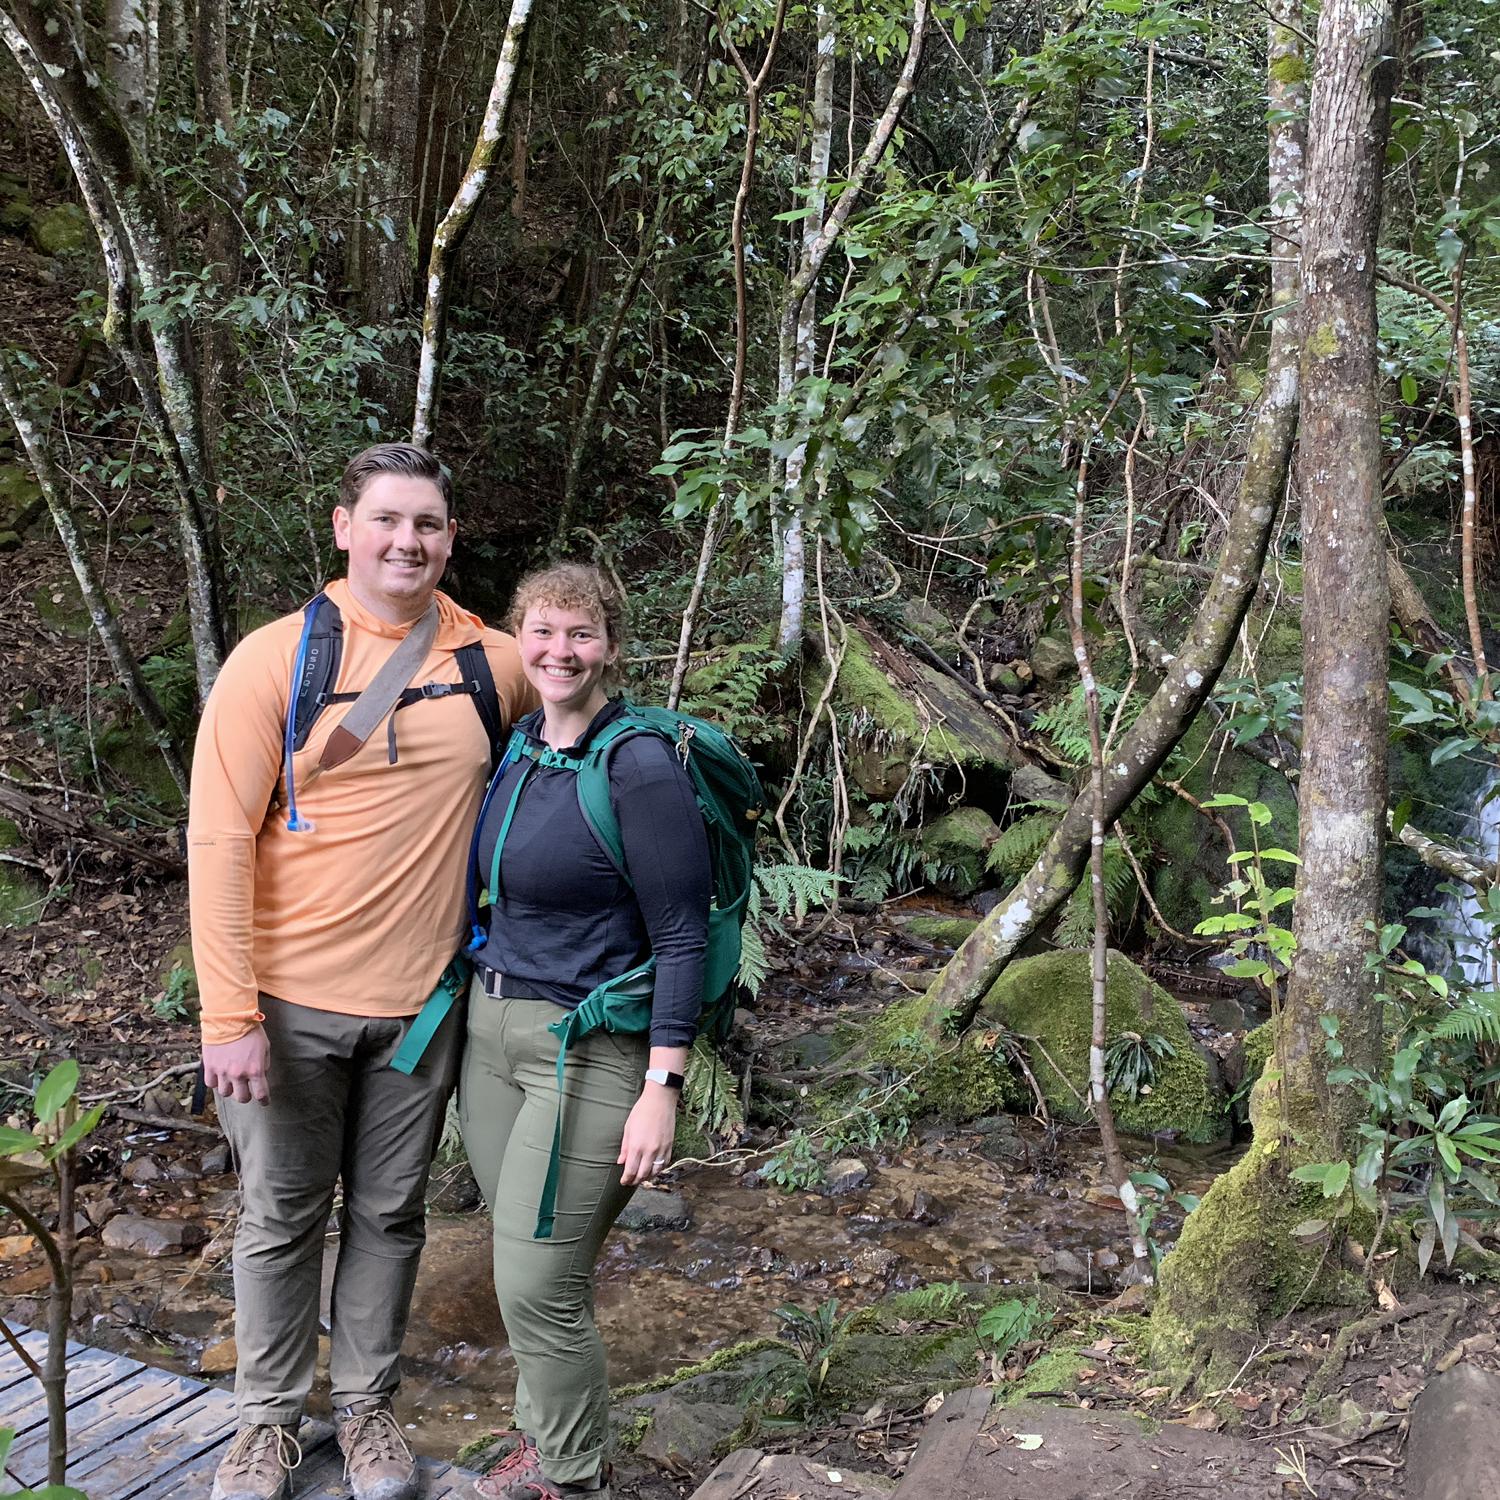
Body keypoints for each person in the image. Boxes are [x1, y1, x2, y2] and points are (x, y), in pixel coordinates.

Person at [189, 442, 535, 1500]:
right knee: (281, 1218)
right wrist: (225, 1015)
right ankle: (265, 1424)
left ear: (449, 539)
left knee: (390, 1217)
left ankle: (368, 1412)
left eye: (427, 524)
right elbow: (216, 841)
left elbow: (572, 737)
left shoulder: (495, 661)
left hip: (421, 1011)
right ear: (343, 528)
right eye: (387, 520)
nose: (407, 542)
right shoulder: (274, 663)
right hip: (285, 1008)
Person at [459, 563, 711, 1500]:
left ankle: (571, 1476)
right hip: (492, 1037)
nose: (560, 652)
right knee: (519, 1257)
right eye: (543, 632)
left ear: (611, 645)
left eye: (581, 635)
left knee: (539, 1285)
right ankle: (539, 1439)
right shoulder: (522, 741)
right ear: (518, 638)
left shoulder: (638, 764)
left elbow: (682, 931)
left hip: (590, 1052)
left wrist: (662, 1088)